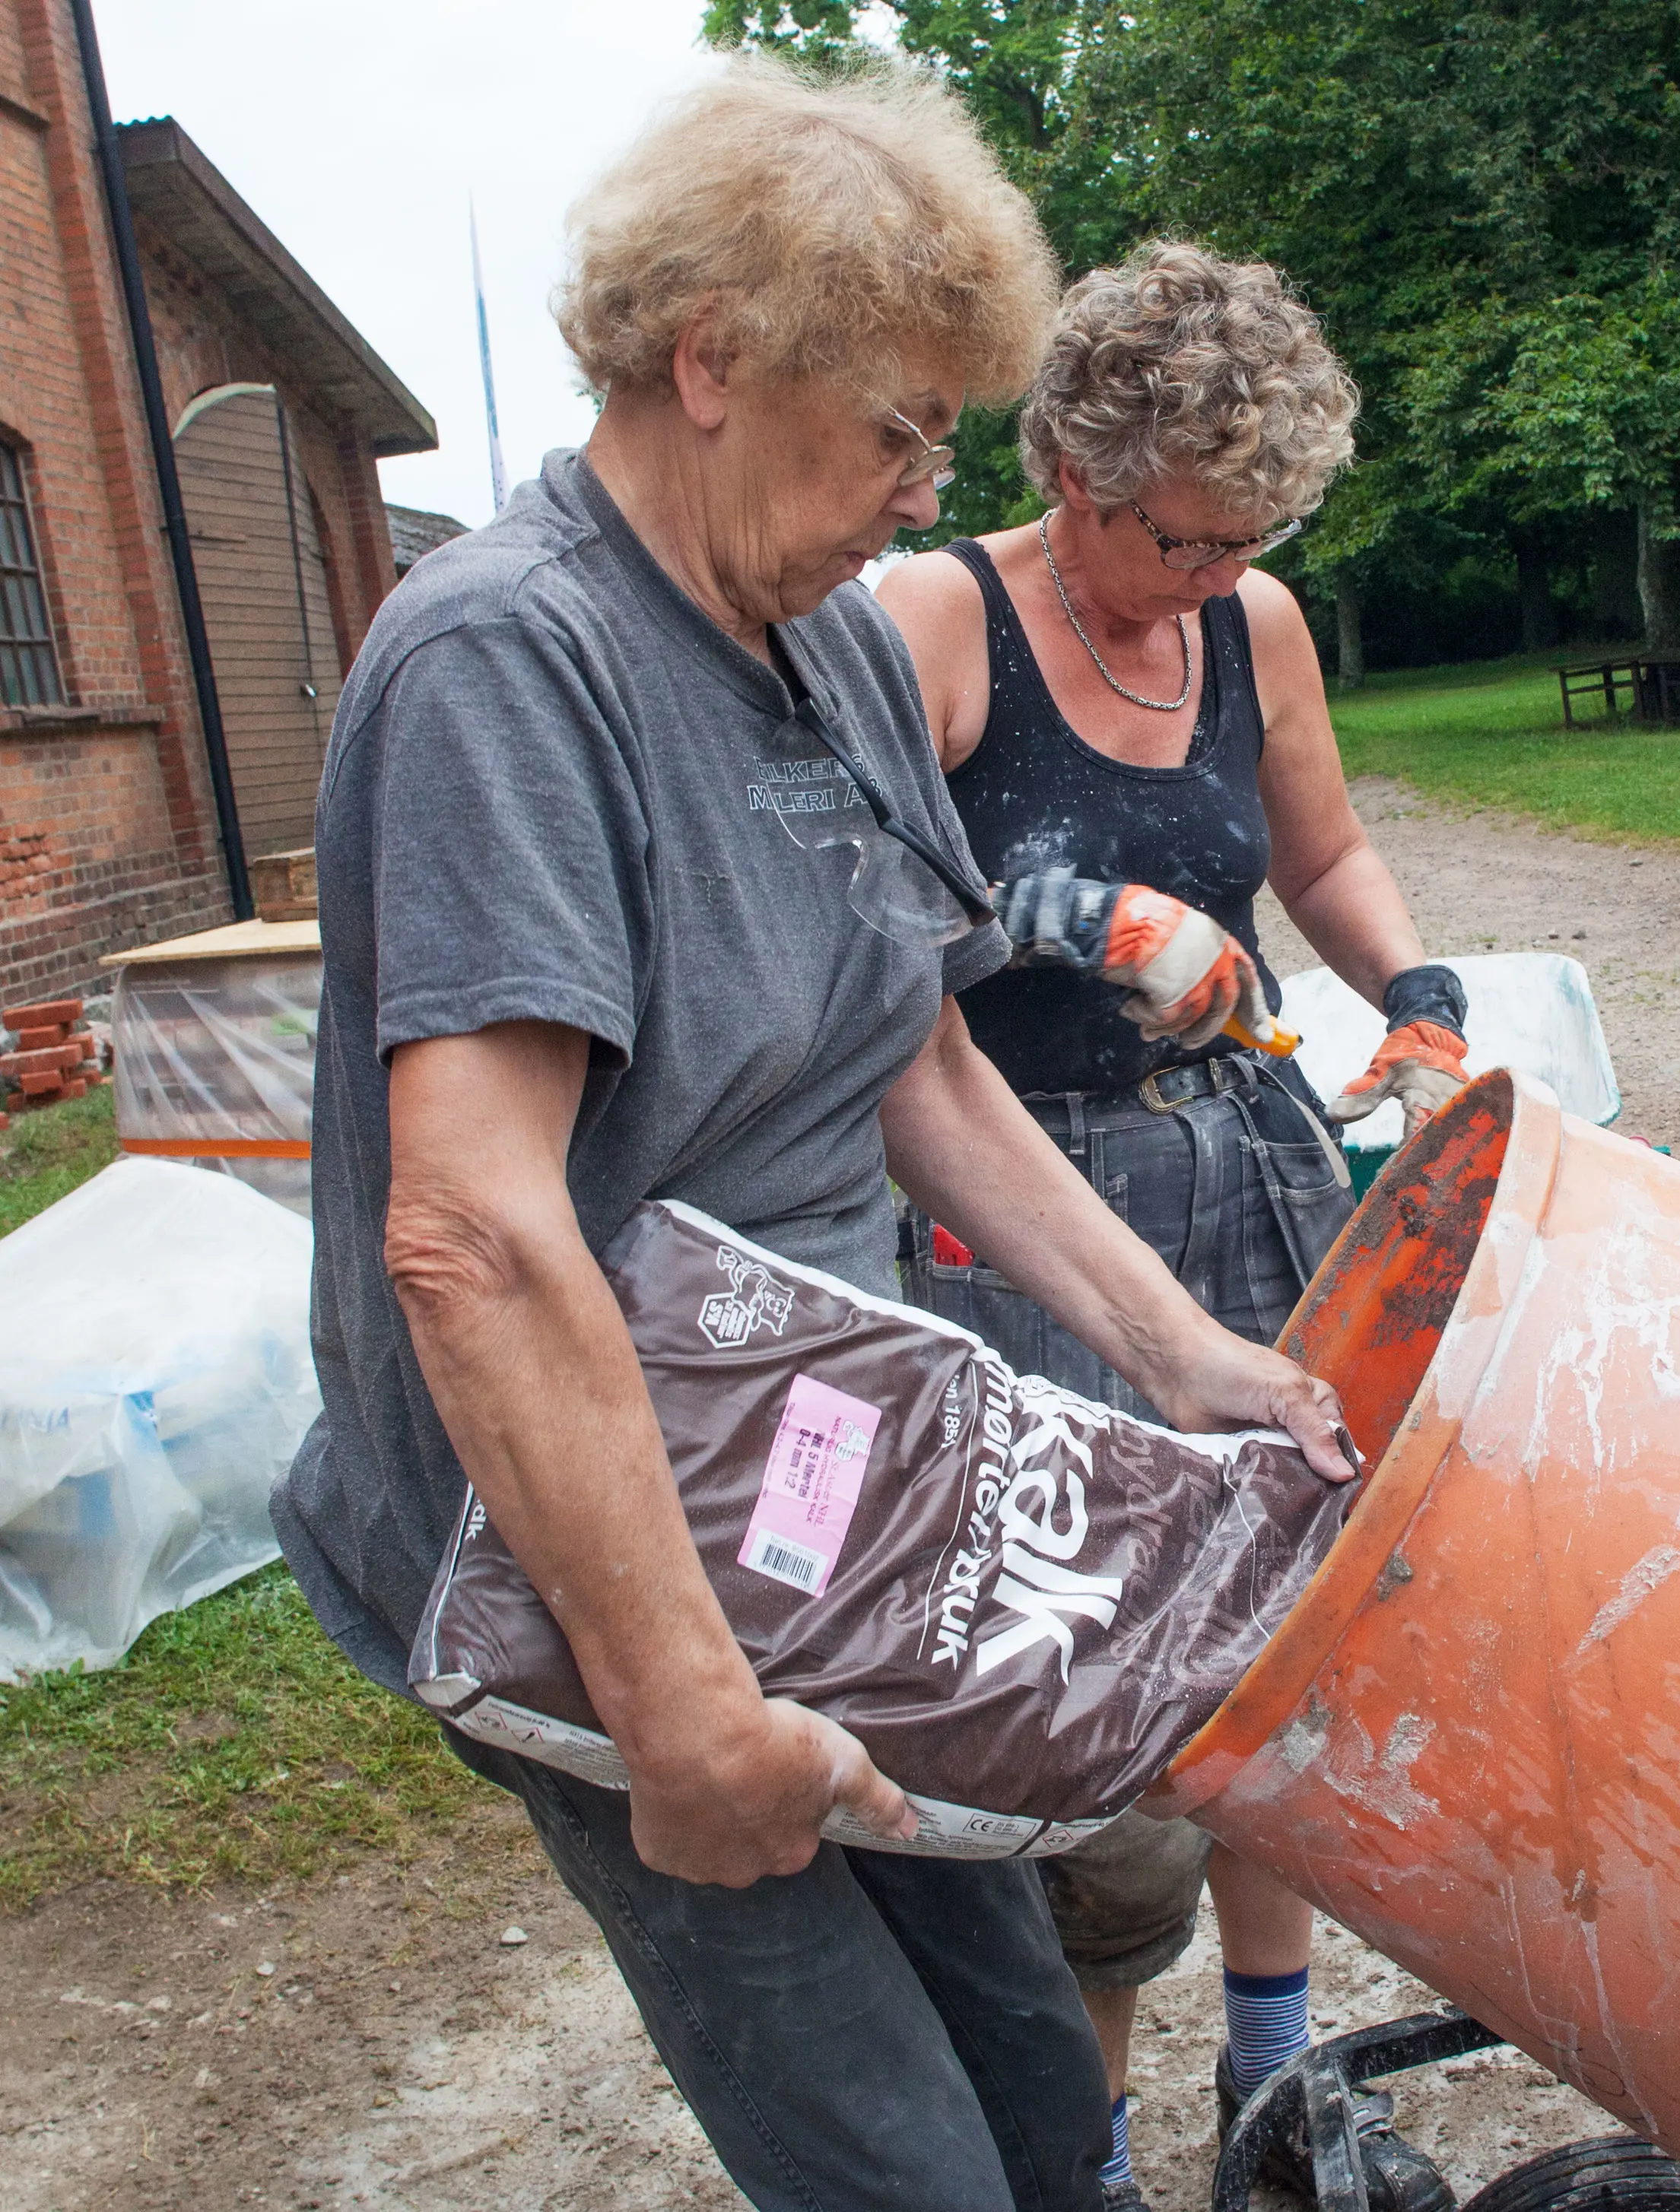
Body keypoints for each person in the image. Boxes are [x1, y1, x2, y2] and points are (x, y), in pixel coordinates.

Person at [269, 65, 1358, 2212]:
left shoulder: (827, 646)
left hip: (806, 1486)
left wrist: (1180, 1351)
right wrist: (683, 1719)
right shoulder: (510, 660)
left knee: (1044, 2090)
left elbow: (916, 1059)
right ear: (712, 363)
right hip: (581, 1552)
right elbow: (473, 1236)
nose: (924, 488)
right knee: (897, 2161)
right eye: (896, 429)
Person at [874, 243, 1468, 2212]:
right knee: (1107, 1680)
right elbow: (830, 936)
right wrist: (1071, 915)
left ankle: (1274, 2077)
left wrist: (1420, 1001)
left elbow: (1328, 851)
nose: (1221, 577)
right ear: (1068, 469)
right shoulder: (932, 622)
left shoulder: (1255, 627)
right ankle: (1098, 2149)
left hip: (1258, 1172)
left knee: (1292, 1609)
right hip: (1030, 1210)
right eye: (1192, 541)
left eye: (1253, 539)